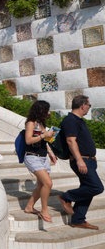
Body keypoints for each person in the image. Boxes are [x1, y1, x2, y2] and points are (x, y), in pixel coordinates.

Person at [59, 95, 104, 230]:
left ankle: (78, 219)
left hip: (89, 161)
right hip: (82, 160)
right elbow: (70, 141)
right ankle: (66, 197)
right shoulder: (70, 120)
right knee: (97, 187)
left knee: (88, 189)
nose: (89, 108)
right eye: (89, 105)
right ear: (82, 105)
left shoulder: (79, 120)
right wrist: (79, 160)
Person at [22, 100, 57, 222]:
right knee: (48, 183)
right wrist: (43, 135)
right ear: (41, 110)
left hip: (43, 157)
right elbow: (28, 140)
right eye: (47, 110)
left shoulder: (42, 123)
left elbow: (44, 142)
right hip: (32, 156)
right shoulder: (30, 123)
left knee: (42, 184)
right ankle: (44, 210)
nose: (48, 112)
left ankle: (29, 207)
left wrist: (51, 153)